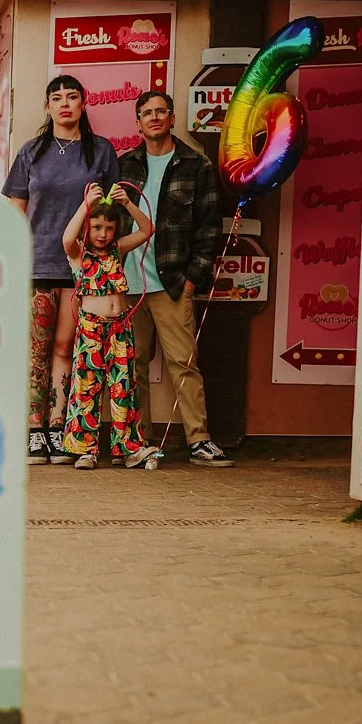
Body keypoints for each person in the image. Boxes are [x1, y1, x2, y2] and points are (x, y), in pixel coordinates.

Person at [2, 75, 119, 465]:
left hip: (84, 268)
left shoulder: (101, 151)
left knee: (68, 348)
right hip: (39, 263)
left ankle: (59, 426)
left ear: (84, 104)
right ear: (47, 106)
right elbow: (15, 208)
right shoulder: (31, 152)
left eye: (72, 97)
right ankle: (35, 431)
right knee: (36, 350)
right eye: (57, 97)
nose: (65, 103)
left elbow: (109, 214)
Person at [117, 90, 233, 467]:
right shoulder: (124, 167)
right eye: (146, 113)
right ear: (137, 122)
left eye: (160, 112)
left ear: (170, 118)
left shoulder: (194, 165)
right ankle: (137, 442)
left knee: (183, 363)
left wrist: (191, 279)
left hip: (170, 283)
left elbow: (209, 229)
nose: (153, 118)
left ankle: (199, 441)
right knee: (131, 364)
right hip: (128, 284)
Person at [59, 184, 163, 471]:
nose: (102, 233)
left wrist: (128, 204)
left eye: (108, 227)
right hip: (92, 330)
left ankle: (127, 447)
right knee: (87, 387)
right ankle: (84, 449)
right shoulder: (79, 254)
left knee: (123, 387)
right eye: (96, 227)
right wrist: (86, 206)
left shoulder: (118, 249)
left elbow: (146, 230)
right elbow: (67, 238)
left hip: (120, 328)